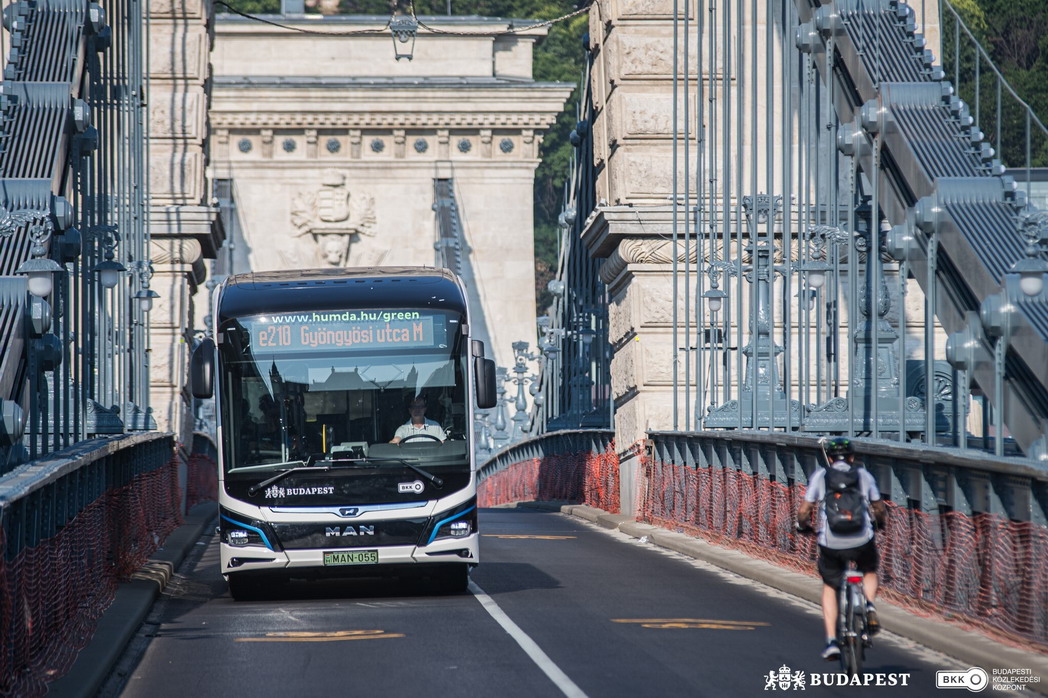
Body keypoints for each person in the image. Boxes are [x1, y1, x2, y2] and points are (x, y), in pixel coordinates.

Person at [797, 436, 888, 661]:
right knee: (869, 570)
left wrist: (802, 524)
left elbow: (805, 509)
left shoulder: (821, 475)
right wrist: (880, 523)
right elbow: (878, 507)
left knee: (830, 585)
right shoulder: (863, 475)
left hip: (832, 541)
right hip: (861, 538)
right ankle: (868, 605)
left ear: (829, 457)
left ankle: (831, 641)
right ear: (852, 457)